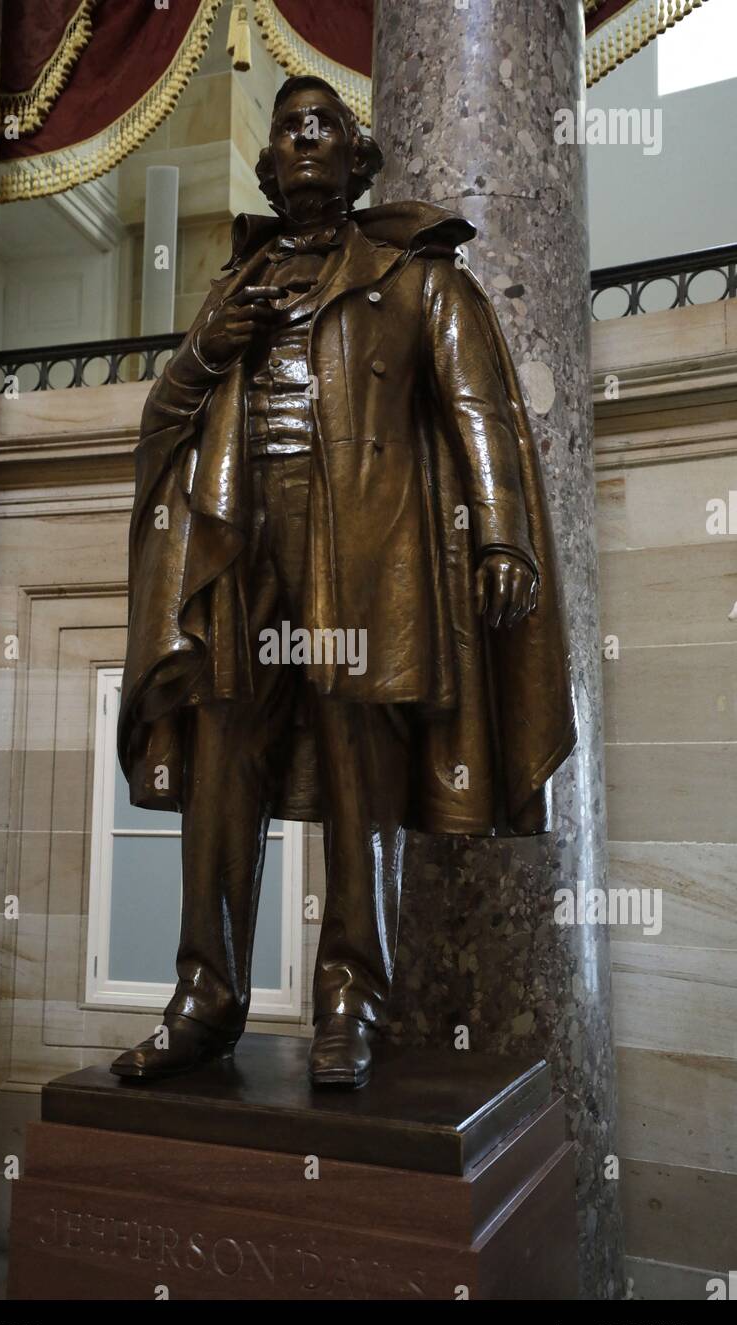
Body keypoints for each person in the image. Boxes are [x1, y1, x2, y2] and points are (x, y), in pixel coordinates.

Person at [111, 75, 576, 1089]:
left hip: (362, 550)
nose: (306, 138)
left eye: (325, 125)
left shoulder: (416, 278)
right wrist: (204, 347)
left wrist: (502, 538)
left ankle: (349, 1000)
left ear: (356, 160)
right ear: (271, 164)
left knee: (360, 767)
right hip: (237, 546)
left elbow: (480, 412)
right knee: (224, 757)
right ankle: (205, 996)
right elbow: (162, 424)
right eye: (288, 128)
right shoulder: (231, 290)